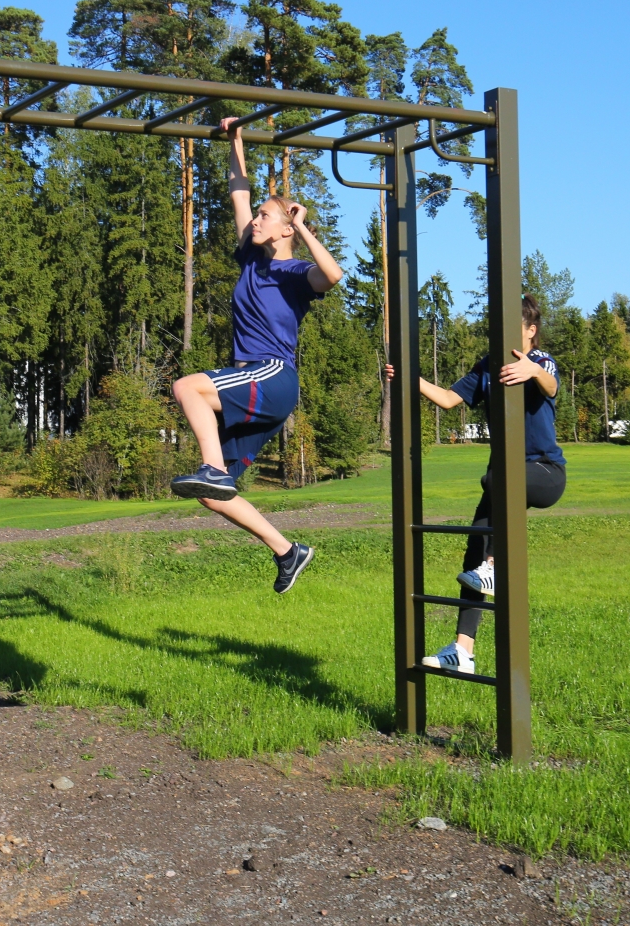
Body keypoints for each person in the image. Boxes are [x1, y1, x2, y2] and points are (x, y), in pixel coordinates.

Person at [169, 117, 344, 594]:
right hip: (259, 386)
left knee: (187, 387)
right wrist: (237, 141)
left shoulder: (296, 273)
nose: (256, 221)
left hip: (273, 375)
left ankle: (212, 469)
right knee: (214, 497)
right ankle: (288, 551)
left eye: (267, 217)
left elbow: (334, 276)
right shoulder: (252, 254)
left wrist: (302, 225)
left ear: (284, 228)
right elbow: (239, 192)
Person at [386, 293, 566, 673]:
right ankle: (462, 650)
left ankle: (495, 564)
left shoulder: (540, 361)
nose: (500, 332)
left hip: (544, 473)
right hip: (503, 482)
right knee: (473, 552)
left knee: (495, 478)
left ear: (531, 331)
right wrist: (410, 379)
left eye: (512, 325)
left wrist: (533, 371)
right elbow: (450, 399)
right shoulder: (487, 366)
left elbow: (551, 386)